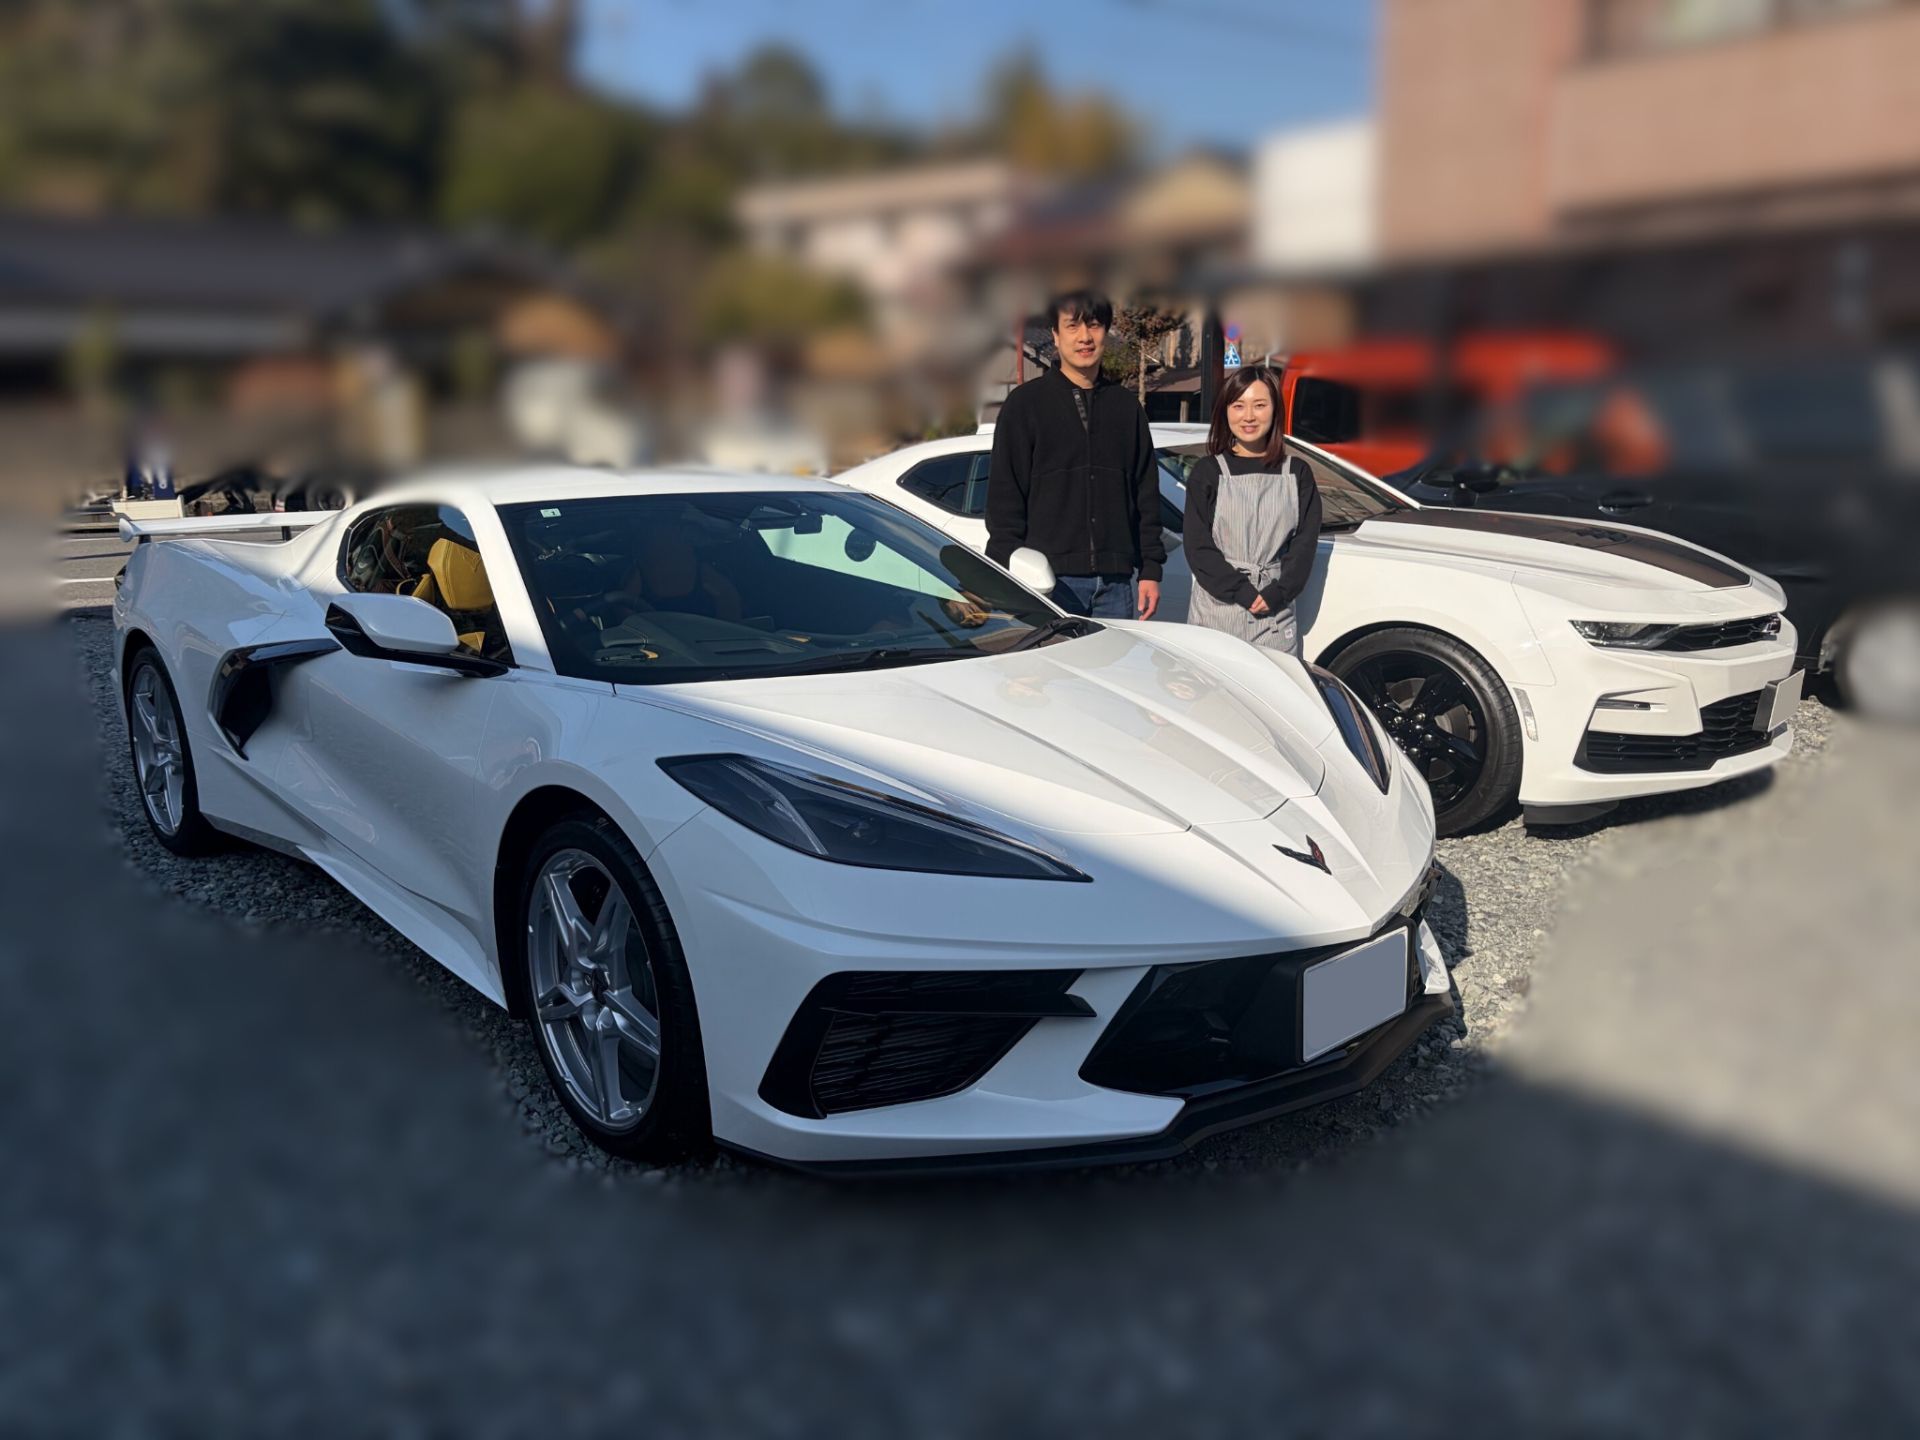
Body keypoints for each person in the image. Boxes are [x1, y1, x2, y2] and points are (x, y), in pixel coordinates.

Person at [986, 289, 1164, 619]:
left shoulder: (1127, 408)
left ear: (1106, 331)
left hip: (1116, 584)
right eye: (1072, 326)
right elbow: (1004, 498)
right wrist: (1010, 565)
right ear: (1055, 334)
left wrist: (1150, 569)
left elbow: (1146, 495)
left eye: (1094, 325)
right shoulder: (1025, 405)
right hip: (1048, 580)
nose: (1084, 337)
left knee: (1115, 656)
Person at [1183, 365, 1322, 657]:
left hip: (1275, 611)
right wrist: (1241, 590)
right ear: (1225, 411)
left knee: (1275, 683)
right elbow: (1198, 546)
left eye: (1259, 405)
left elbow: (1304, 544)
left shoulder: (1297, 472)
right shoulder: (1208, 472)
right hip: (1217, 610)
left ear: (1275, 410)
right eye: (1238, 406)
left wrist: (1278, 592)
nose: (1248, 416)